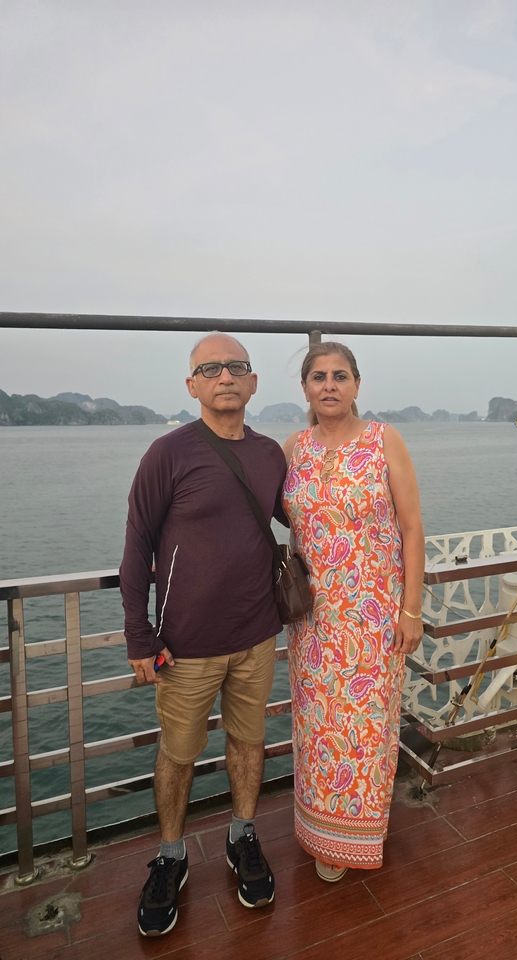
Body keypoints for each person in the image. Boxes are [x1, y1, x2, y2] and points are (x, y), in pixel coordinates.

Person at [120, 333, 287, 937]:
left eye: (236, 367)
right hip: (184, 646)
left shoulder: (271, 454)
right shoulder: (168, 453)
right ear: (192, 385)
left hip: (258, 633)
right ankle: (171, 855)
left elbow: (308, 520)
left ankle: (242, 837)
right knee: (179, 754)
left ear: (253, 382)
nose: (225, 376)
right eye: (209, 369)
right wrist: (138, 634)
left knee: (248, 743)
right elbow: (138, 544)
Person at [281, 341, 425, 882]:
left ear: (357, 385)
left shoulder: (384, 440)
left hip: (373, 618)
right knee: (319, 730)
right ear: (305, 389)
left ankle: (360, 834)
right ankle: (322, 833)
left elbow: (412, 528)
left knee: (366, 730)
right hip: (314, 624)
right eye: (318, 377)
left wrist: (411, 610)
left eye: (340, 376)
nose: (329, 386)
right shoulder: (294, 448)